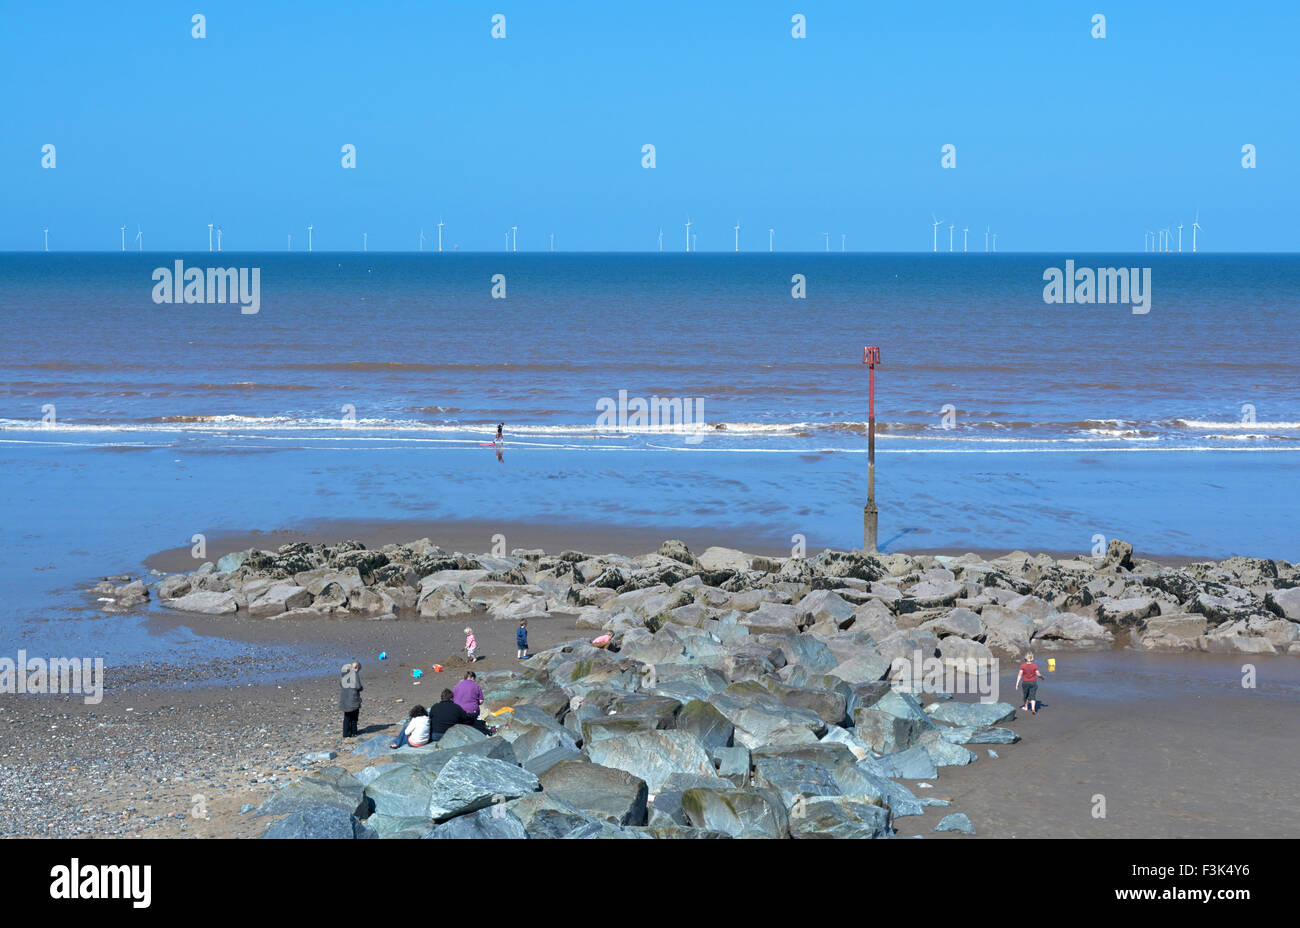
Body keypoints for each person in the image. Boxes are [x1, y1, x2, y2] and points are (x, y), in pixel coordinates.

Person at [426, 689, 492, 741]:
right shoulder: (456, 707)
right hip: (450, 736)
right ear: (451, 698)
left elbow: (430, 719)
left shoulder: (434, 707)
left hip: (435, 735)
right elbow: (466, 718)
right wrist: (474, 714)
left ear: (441, 698)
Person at [339, 661, 363, 738]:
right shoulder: (354, 674)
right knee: (354, 717)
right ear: (357, 668)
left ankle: (346, 734)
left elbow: (341, 684)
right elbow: (358, 686)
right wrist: (361, 688)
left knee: (347, 717)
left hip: (345, 698)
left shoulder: (344, 674)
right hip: (353, 699)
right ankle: (354, 732)